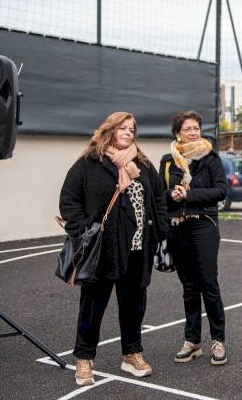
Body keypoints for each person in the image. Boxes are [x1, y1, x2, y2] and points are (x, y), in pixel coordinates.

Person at [59, 112, 168, 386]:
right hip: (103, 252)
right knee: (93, 306)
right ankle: (84, 358)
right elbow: (69, 199)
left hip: (137, 249)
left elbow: (158, 197)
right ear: (109, 130)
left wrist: (160, 229)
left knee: (134, 306)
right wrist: (83, 230)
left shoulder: (142, 163)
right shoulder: (90, 162)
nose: (129, 132)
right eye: (123, 127)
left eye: (132, 129)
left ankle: (131, 353)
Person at [158, 111, 229, 366]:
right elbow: (160, 195)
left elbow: (221, 191)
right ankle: (193, 341)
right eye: (187, 128)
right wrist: (173, 196)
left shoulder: (210, 158)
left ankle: (218, 340)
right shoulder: (168, 161)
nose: (193, 132)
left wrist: (188, 195)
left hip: (204, 225)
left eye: (196, 128)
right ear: (178, 133)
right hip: (177, 228)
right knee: (189, 288)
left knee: (209, 284)